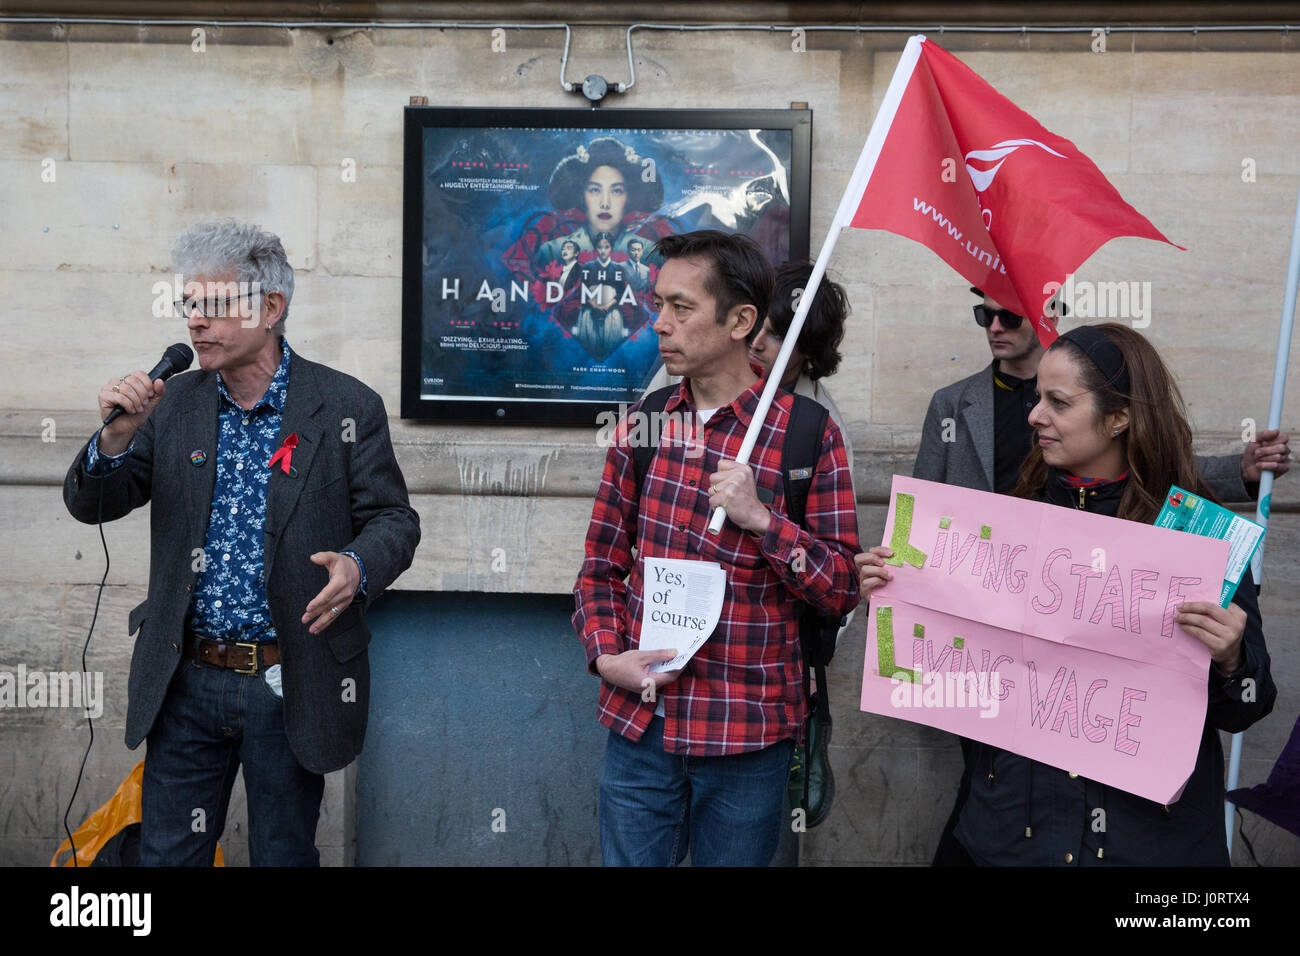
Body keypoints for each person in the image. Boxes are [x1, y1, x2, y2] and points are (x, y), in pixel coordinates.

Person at [62, 220, 421, 866]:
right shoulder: (173, 407)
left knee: (283, 854)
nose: (196, 322)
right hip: (187, 677)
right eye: (189, 305)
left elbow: (396, 520)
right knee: (168, 856)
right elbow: (92, 502)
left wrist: (358, 565)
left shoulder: (345, 406)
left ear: (272, 308)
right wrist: (115, 439)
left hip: (290, 678)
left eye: (216, 305)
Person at [858, 322, 1277, 865]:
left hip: (1148, 843)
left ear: (1120, 417)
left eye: (1058, 402)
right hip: (1011, 831)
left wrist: (1233, 659)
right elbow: (945, 684)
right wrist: (901, 600)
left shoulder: (1196, 537)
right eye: (1037, 398)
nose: (1034, 416)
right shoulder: (1004, 523)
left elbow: (1247, 707)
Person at [572, 230, 860, 866]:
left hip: (746, 735)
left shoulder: (807, 434)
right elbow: (598, 569)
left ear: (740, 321)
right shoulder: (643, 425)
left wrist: (764, 521)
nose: (660, 325)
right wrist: (606, 658)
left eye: (681, 307)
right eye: (657, 305)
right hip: (642, 725)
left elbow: (841, 585)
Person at [646, 259, 855, 476]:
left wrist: (756, 510)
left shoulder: (822, 429)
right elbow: (634, 448)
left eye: (776, 335)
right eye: (755, 324)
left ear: (809, 347)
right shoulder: (687, 371)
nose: (756, 342)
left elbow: (831, 509)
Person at [533, 136, 666, 271]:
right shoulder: (551, 252)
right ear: (582, 195)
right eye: (595, 190)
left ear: (629, 197)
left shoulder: (650, 254)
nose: (605, 203)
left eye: (616, 191)